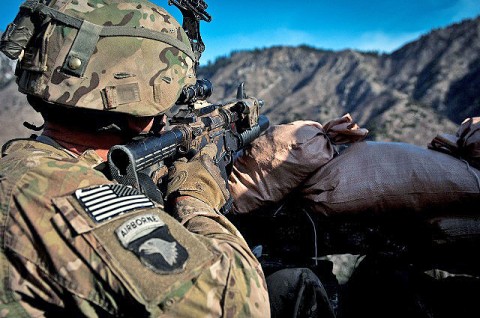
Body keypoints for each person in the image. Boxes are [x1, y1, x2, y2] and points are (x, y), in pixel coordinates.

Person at [0, 0, 270, 316]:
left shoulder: (27, 164)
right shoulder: (62, 194)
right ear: (139, 113)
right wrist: (195, 197)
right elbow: (238, 302)